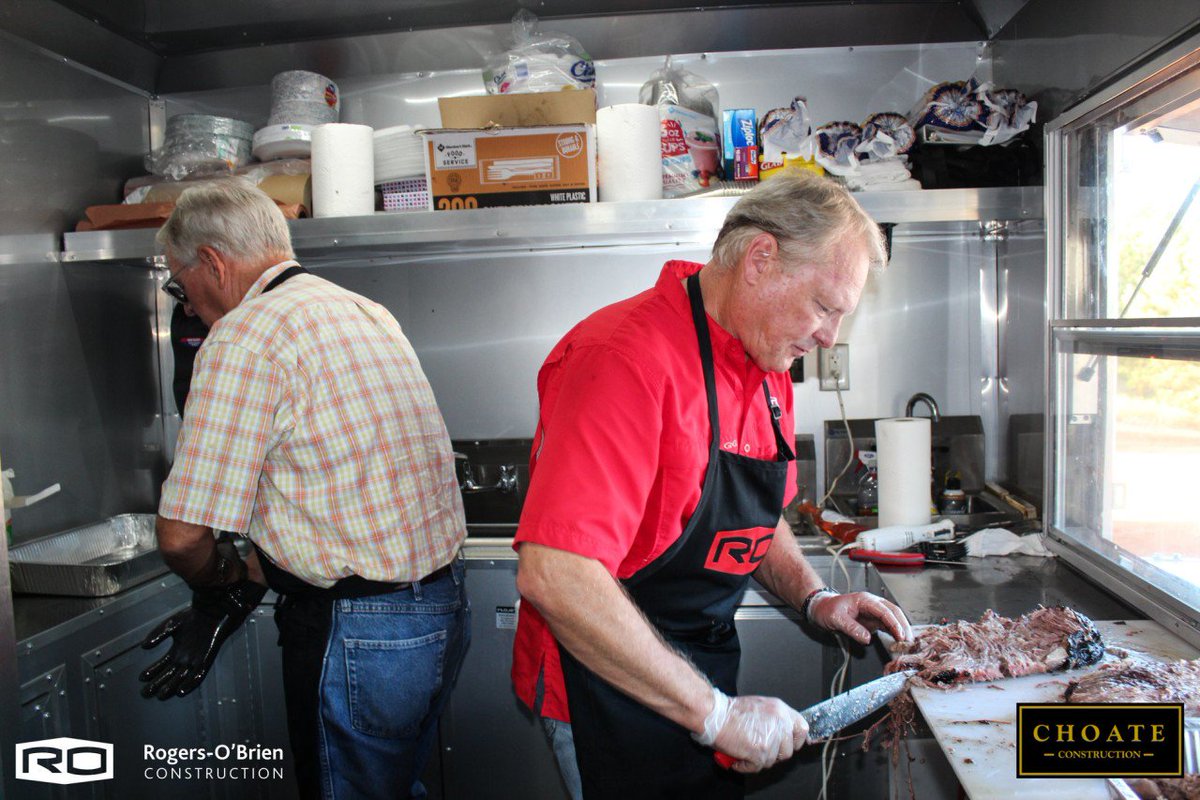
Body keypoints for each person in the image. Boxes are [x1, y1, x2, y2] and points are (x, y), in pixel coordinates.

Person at [511, 170, 913, 800]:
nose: (831, 336)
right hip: (607, 687)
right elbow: (556, 573)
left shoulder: (767, 360)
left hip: (702, 676)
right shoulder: (625, 359)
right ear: (760, 260)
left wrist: (814, 598)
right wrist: (716, 716)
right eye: (825, 307)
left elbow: (758, 517)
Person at [140, 179, 469, 800]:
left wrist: (221, 587)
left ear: (212, 261)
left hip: (360, 632)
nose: (188, 305)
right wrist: (252, 579)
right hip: (439, 611)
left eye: (183, 286)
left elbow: (182, 538)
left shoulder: (244, 337)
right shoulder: (360, 310)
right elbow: (331, 504)